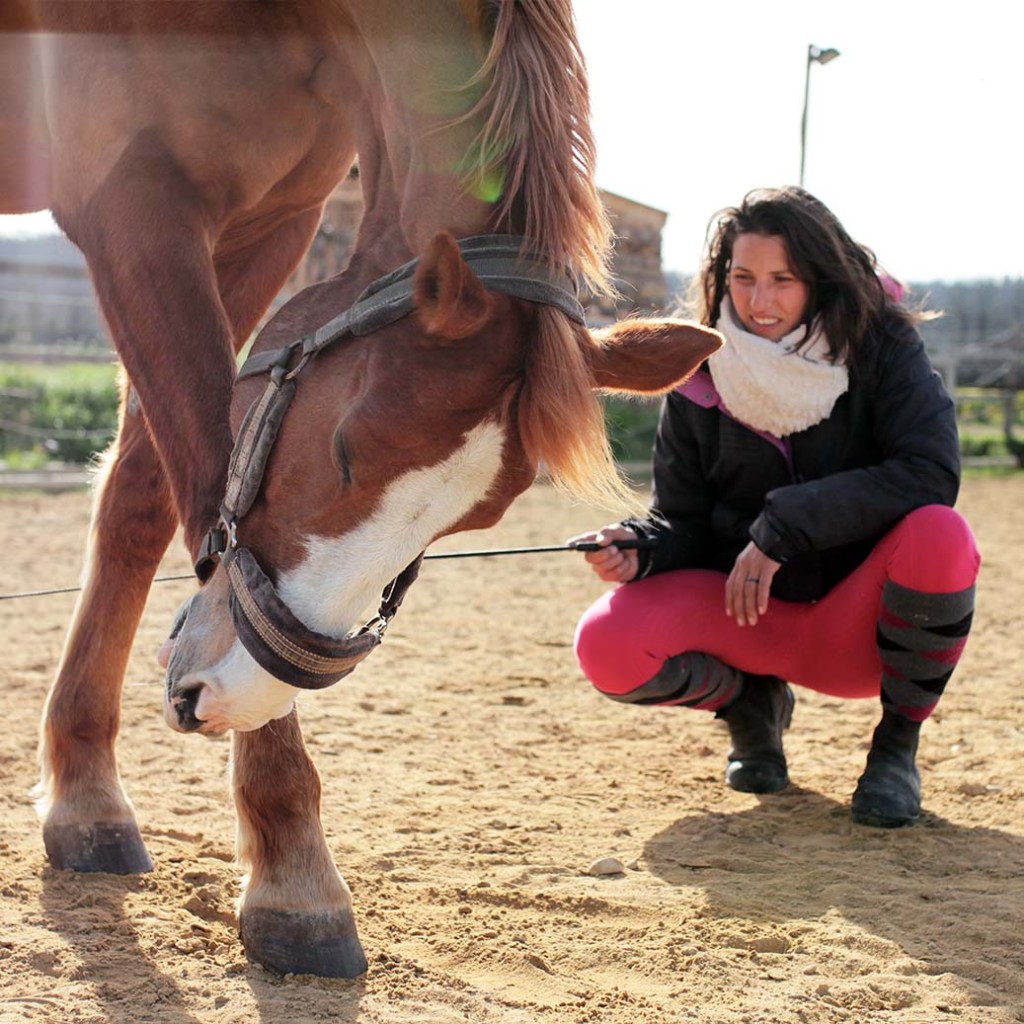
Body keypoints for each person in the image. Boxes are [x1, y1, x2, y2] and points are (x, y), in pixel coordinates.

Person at [571, 186, 980, 828]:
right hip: (749, 617)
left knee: (941, 534)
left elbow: (930, 473)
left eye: (782, 280)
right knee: (607, 647)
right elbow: (684, 520)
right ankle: (751, 705)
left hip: (860, 629)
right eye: (743, 278)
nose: (760, 302)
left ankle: (896, 749)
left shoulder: (883, 346)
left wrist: (785, 526)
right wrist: (640, 547)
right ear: (721, 278)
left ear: (819, 279)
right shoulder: (698, 370)